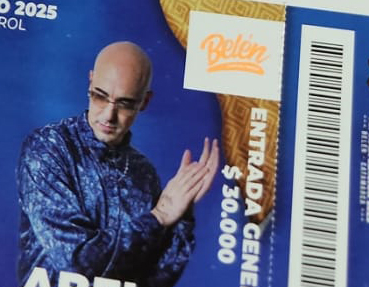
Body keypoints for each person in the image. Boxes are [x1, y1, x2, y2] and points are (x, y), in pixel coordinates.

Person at [16, 41, 220, 287]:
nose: (108, 116)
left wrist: (181, 215)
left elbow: (155, 280)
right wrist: (160, 216)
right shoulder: (49, 147)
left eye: (124, 103)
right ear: (90, 82)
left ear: (144, 102)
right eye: (100, 96)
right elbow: (75, 260)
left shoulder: (143, 173)